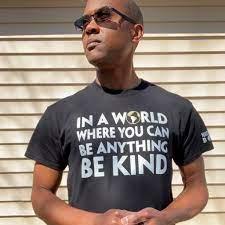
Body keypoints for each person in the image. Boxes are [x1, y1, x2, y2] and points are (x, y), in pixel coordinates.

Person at [25, 0, 214, 225]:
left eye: (104, 16)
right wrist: (94, 222)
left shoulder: (176, 109)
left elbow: (196, 185)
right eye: (84, 22)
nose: (90, 27)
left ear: (135, 33)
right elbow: (41, 194)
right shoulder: (60, 114)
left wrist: (165, 217)